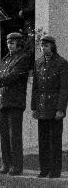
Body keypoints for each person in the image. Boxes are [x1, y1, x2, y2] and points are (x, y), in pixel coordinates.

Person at [31, 34, 68, 179]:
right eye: (41, 45)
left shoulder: (61, 63)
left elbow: (64, 89)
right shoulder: (38, 62)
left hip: (54, 107)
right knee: (43, 139)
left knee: (55, 140)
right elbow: (35, 87)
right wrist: (34, 107)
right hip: (42, 106)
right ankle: (44, 169)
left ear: (52, 46)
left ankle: (55, 170)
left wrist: (61, 109)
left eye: (46, 45)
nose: (43, 48)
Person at [0, 32, 31, 176]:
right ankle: (6, 164)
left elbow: (13, 76)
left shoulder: (23, 58)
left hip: (15, 101)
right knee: (4, 135)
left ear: (19, 43)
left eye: (12, 42)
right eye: (8, 42)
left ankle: (16, 165)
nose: (9, 45)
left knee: (14, 136)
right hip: (3, 100)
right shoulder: (5, 59)